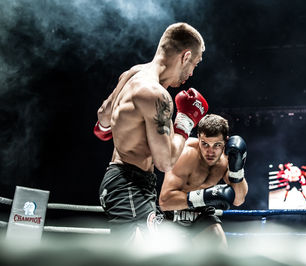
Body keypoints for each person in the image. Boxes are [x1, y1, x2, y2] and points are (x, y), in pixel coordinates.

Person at [94, 22, 208, 242]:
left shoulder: (133, 73)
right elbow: (165, 162)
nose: (192, 73)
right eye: (194, 64)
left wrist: (121, 128)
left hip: (121, 182)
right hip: (129, 184)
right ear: (185, 57)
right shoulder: (157, 96)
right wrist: (185, 121)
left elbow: (103, 118)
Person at [159, 114, 248, 248]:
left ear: (226, 142)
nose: (210, 151)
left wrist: (237, 169)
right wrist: (205, 196)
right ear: (199, 138)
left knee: (219, 248)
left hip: (201, 212)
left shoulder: (226, 159)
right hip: (171, 213)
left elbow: (238, 200)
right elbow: (165, 202)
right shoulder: (185, 154)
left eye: (217, 145)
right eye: (205, 144)